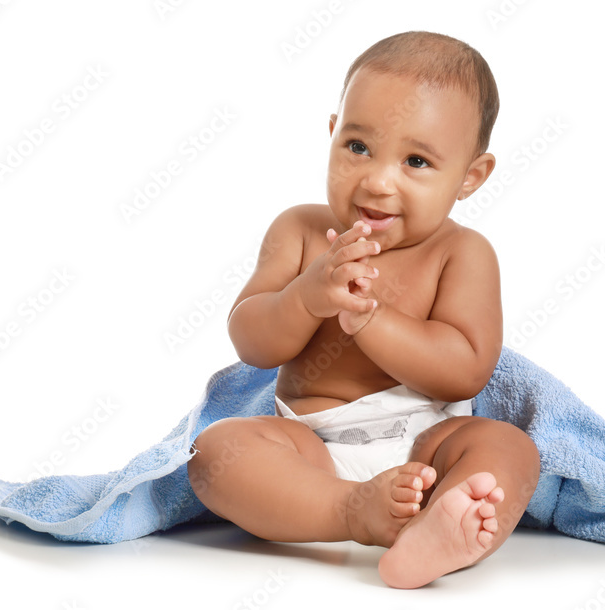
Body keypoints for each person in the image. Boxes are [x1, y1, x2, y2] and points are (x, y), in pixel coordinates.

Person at [187, 30, 540, 589]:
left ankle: (441, 529)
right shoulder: (302, 233)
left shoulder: (462, 254)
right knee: (215, 452)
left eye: (417, 161)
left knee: (509, 449)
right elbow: (251, 340)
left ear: (470, 177)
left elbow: (466, 370)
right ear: (332, 134)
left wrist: (375, 321)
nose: (377, 181)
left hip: (430, 441)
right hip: (313, 445)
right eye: (357, 147)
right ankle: (352, 511)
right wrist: (304, 297)